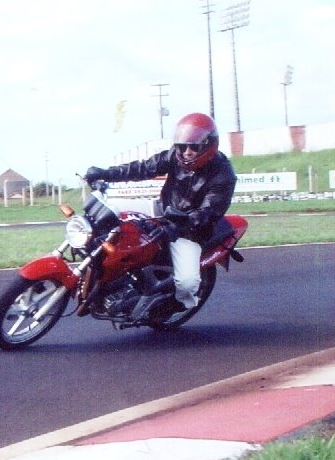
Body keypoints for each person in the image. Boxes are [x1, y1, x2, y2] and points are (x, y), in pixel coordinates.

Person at [85, 112, 237, 315]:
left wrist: (177, 227)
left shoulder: (223, 174)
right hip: (162, 209)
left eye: (194, 147)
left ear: (210, 145)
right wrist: (106, 173)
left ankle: (175, 306)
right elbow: (143, 168)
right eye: (183, 146)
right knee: (110, 211)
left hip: (190, 231)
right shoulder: (175, 155)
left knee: (187, 282)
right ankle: (101, 271)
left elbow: (208, 212)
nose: (187, 152)